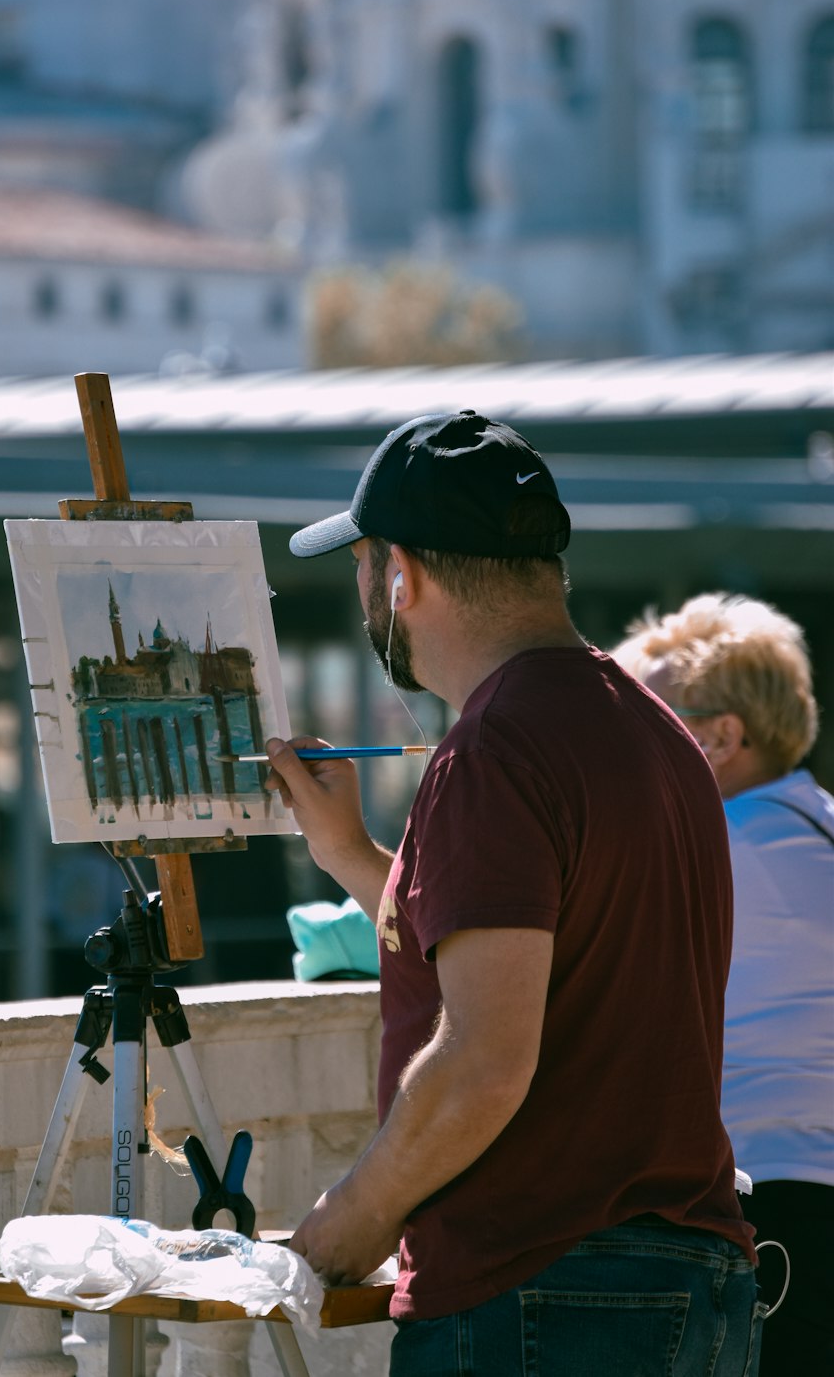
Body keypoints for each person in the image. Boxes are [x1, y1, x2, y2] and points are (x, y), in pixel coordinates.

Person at [265, 411, 761, 1377]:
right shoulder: (648, 727)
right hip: (685, 1282)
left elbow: (485, 1060)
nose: (365, 592)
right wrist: (355, 857)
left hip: (543, 1294)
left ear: (400, 574)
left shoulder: (494, 750)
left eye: (365, 564)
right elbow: (549, 946)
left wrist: (341, 1230)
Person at [613, 592, 834, 1376]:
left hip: (767, 1216)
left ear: (720, 737)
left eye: (647, 719)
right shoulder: (813, 826)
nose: (620, 744)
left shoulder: (714, 849)